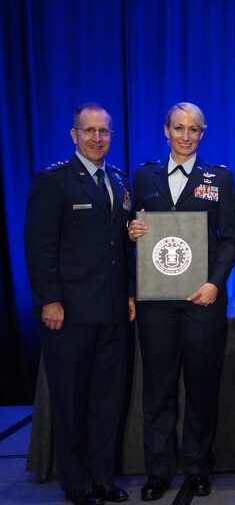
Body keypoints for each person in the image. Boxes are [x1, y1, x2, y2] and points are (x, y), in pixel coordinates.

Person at [127, 102, 235, 500]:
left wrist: (214, 283)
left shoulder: (220, 179)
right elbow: (128, 230)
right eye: (179, 128)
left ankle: (195, 466)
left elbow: (231, 238)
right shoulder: (143, 176)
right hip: (156, 301)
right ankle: (158, 469)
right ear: (166, 131)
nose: (186, 136)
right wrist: (132, 230)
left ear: (203, 133)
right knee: (157, 386)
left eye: (194, 129)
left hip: (203, 299)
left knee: (201, 384)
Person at [24, 103, 134, 505]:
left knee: (107, 400)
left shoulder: (119, 182)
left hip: (112, 311)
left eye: (103, 131)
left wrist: (129, 295)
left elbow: (120, 250)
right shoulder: (53, 182)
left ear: (111, 135)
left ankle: (103, 477)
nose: (96, 138)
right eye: (88, 131)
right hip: (68, 313)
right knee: (72, 400)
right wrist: (49, 300)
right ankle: (76, 482)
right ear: (74, 135)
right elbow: (39, 248)